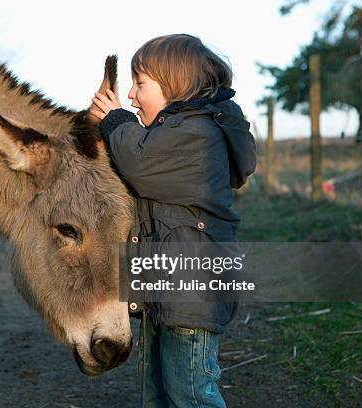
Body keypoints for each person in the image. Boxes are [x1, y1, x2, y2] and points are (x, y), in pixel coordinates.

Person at [90, 34, 256, 407]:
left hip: (191, 296)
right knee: (158, 394)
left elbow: (138, 161)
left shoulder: (197, 134)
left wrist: (114, 119)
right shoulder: (168, 136)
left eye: (140, 84)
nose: (132, 95)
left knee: (191, 393)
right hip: (163, 291)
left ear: (176, 86)